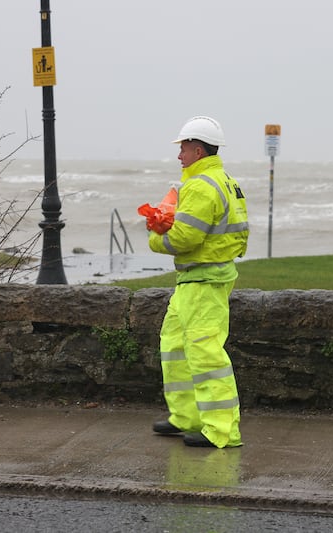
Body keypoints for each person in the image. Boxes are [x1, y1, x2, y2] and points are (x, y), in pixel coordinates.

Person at [149, 116, 249, 448]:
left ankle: (221, 430)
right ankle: (187, 417)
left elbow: (184, 239)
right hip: (198, 279)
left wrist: (155, 236)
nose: (179, 156)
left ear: (196, 149)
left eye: (182, 149)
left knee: (206, 354)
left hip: (204, 280)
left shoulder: (201, 185)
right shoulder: (223, 181)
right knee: (174, 346)